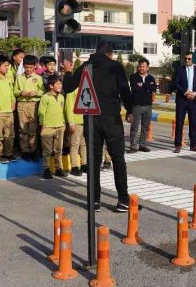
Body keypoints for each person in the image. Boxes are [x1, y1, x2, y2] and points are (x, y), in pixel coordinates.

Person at [61, 43, 133, 212]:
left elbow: (69, 86)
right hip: (111, 118)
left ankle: (94, 201)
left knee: (93, 161)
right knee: (118, 159)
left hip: (91, 119)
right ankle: (123, 200)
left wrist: (68, 71)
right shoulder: (115, 66)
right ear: (110, 54)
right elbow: (125, 90)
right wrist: (130, 110)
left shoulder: (87, 66)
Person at [173, 52, 196, 153]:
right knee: (179, 122)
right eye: (185, 59)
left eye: (189, 59)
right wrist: (185, 92)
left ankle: (193, 145)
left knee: (193, 122)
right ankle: (178, 145)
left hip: (193, 100)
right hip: (182, 99)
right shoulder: (180, 69)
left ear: (193, 59)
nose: (187, 60)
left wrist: (194, 93)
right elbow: (176, 83)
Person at [14, 54, 44, 160]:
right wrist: (20, 92)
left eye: (30, 67)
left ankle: (33, 149)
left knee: (33, 129)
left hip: (33, 104)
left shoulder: (38, 78)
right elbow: (15, 91)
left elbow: (43, 91)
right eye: (26, 67)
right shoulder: (19, 77)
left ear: (35, 66)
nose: (28, 69)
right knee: (23, 129)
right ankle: (24, 150)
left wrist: (35, 93)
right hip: (22, 105)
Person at [38, 75, 67, 179]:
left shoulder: (61, 97)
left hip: (59, 127)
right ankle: (46, 169)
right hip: (48, 127)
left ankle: (58, 168)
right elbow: (41, 112)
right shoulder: (45, 97)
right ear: (51, 86)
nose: (60, 86)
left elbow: (62, 111)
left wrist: (63, 123)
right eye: (58, 84)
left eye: (61, 83)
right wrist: (43, 125)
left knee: (58, 149)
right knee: (47, 151)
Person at [128, 57, 157, 153]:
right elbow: (135, 89)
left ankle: (142, 145)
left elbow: (153, 88)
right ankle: (133, 146)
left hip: (148, 106)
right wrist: (147, 88)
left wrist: (143, 85)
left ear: (147, 67)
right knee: (134, 127)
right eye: (140, 66)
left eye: (144, 67)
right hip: (137, 106)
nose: (141, 68)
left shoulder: (151, 78)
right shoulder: (133, 77)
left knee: (145, 127)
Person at [63, 62, 86, 177]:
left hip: (85, 120)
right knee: (74, 144)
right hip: (76, 121)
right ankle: (74, 166)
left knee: (83, 144)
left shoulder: (86, 87)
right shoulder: (72, 88)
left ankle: (84, 164)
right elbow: (68, 106)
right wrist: (71, 122)